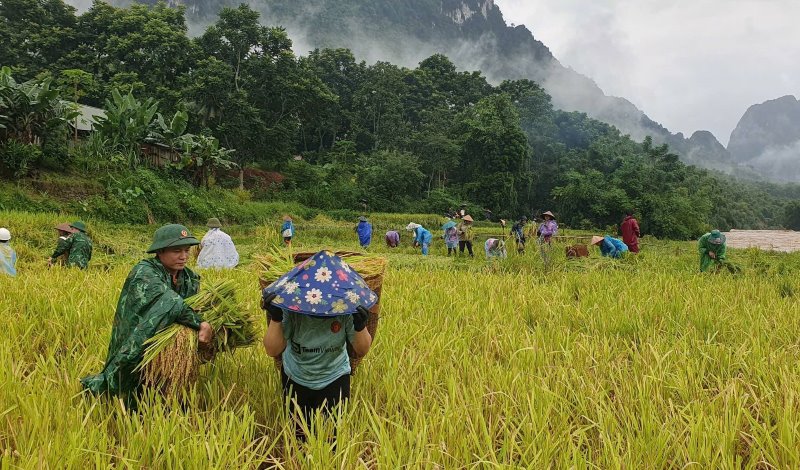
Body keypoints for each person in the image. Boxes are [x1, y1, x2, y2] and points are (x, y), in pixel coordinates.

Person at [81, 224, 213, 408]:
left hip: (168, 344)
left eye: (186, 250)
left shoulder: (189, 277)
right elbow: (170, 301)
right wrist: (200, 323)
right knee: (128, 377)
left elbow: (195, 305)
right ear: (160, 251)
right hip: (139, 336)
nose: (183, 256)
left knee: (167, 389)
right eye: (177, 251)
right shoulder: (144, 272)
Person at [261, 251, 374, 440]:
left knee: (332, 438)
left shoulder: (344, 308)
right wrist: (276, 317)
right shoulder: (292, 307)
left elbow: (362, 349)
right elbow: (272, 350)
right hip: (296, 378)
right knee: (298, 437)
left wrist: (360, 325)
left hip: (334, 377)